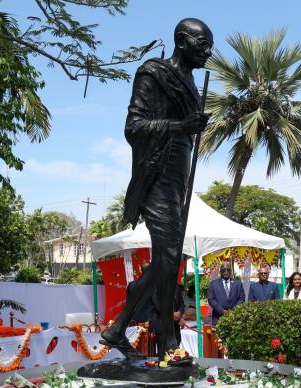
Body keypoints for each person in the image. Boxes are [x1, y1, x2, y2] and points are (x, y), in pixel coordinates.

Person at [100, 18, 213, 359]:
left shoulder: (192, 84)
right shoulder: (153, 72)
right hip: (155, 174)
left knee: (170, 259)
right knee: (168, 256)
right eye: (202, 44)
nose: (208, 52)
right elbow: (133, 127)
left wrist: (193, 128)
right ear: (181, 41)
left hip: (178, 178)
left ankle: (125, 329)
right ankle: (165, 338)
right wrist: (181, 126)